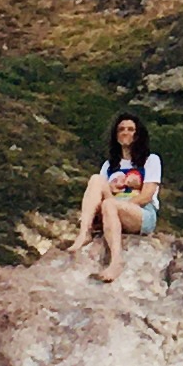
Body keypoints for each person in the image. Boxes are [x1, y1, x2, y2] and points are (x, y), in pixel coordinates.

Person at [74, 113, 163, 281]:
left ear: (138, 135)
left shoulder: (150, 160)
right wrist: (111, 188)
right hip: (111, 209)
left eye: (130, 129)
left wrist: (120, 202)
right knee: (96, 180)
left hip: (140, 212)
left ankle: (116, 262)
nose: (125, 133)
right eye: (121, 129)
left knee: (109, 205)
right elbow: (98, 195)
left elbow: (147, 196)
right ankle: (84, 232)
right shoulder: (109, 165)